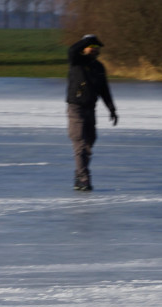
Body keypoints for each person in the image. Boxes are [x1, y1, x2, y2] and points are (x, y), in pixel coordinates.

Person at [66, 34, 118, 192]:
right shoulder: (77, 61)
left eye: (96, 48)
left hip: (90, 108)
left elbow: (104, 90)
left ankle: (79, 173)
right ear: (84, 47)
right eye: (91, 47)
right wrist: (86, 41)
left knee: (89, 142)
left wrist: (112, 109)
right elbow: (71, 51)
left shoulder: (98, 67)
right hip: (76, 108)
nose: (94, 50)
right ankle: (83, 177)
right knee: (80, 142)